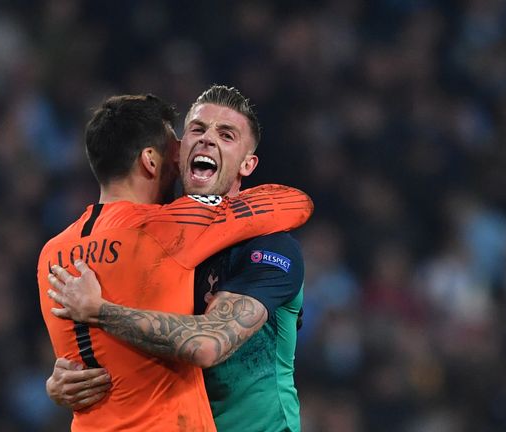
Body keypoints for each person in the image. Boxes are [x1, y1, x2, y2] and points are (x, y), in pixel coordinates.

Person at [37, 93, 313, 431]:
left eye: (226, 135)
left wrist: (99, 311)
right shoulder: (155, 239)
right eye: (196, 130)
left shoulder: (270, 245)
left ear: (247, 164)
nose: (207, 138)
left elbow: (209, 342)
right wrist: (66, 376)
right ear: (179, 151)